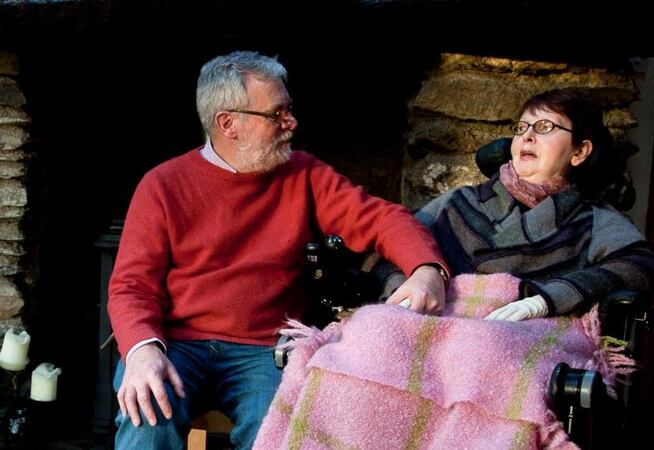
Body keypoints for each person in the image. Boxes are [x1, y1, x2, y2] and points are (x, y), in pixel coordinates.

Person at [107, 50, 449, 450]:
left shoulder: (305, 173)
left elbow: (381, 219)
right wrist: (142, 350)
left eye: (289, 109)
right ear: (228, 123)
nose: (291, 123)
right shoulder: (162, 185)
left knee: (281, 430)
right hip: (177, 343)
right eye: (277, 113)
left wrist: (427, 269)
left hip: (267, 349)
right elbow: (131, 286)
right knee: (147, 416)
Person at [386, 88, 654, 319]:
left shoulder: (593, 220)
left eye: (545, 127)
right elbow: (394, 242)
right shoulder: (458, 203)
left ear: (579, 151)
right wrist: (406, 291)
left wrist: (546, 301)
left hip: (522, 344)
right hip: (432, 326)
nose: (528, 136)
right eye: (522, 127)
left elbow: (641, 267)